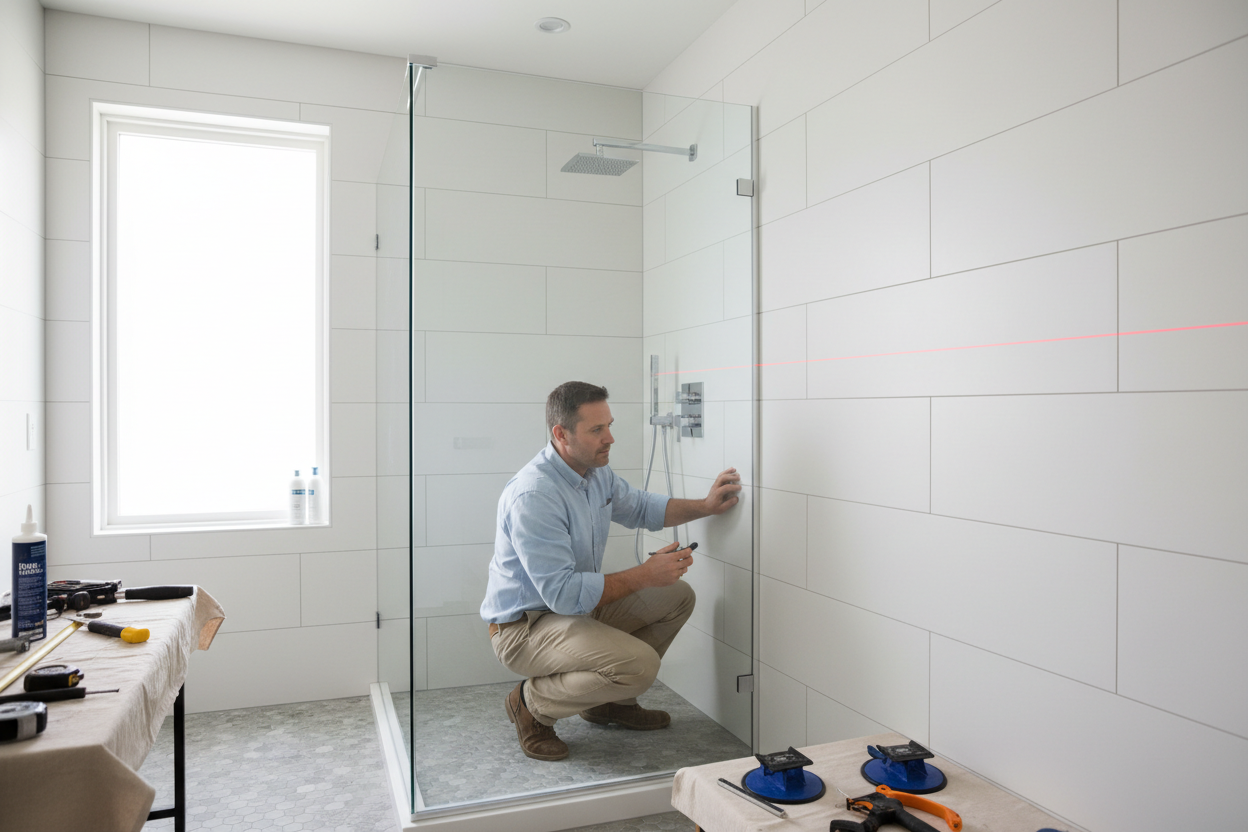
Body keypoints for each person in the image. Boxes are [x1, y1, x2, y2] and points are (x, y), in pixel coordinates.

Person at [480, 381, 741, 761]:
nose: (610, 438)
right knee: (640, 665)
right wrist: (645, 574)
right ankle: (531, 705)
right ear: (561, 434)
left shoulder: (593, 472)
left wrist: (706, 506)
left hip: (570, 613)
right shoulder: (534, 495)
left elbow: (640, 507)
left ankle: (609, 703)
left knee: (676, 597)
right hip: (525, 628)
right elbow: (564, 595)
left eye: (609, 425)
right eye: (596, 429)